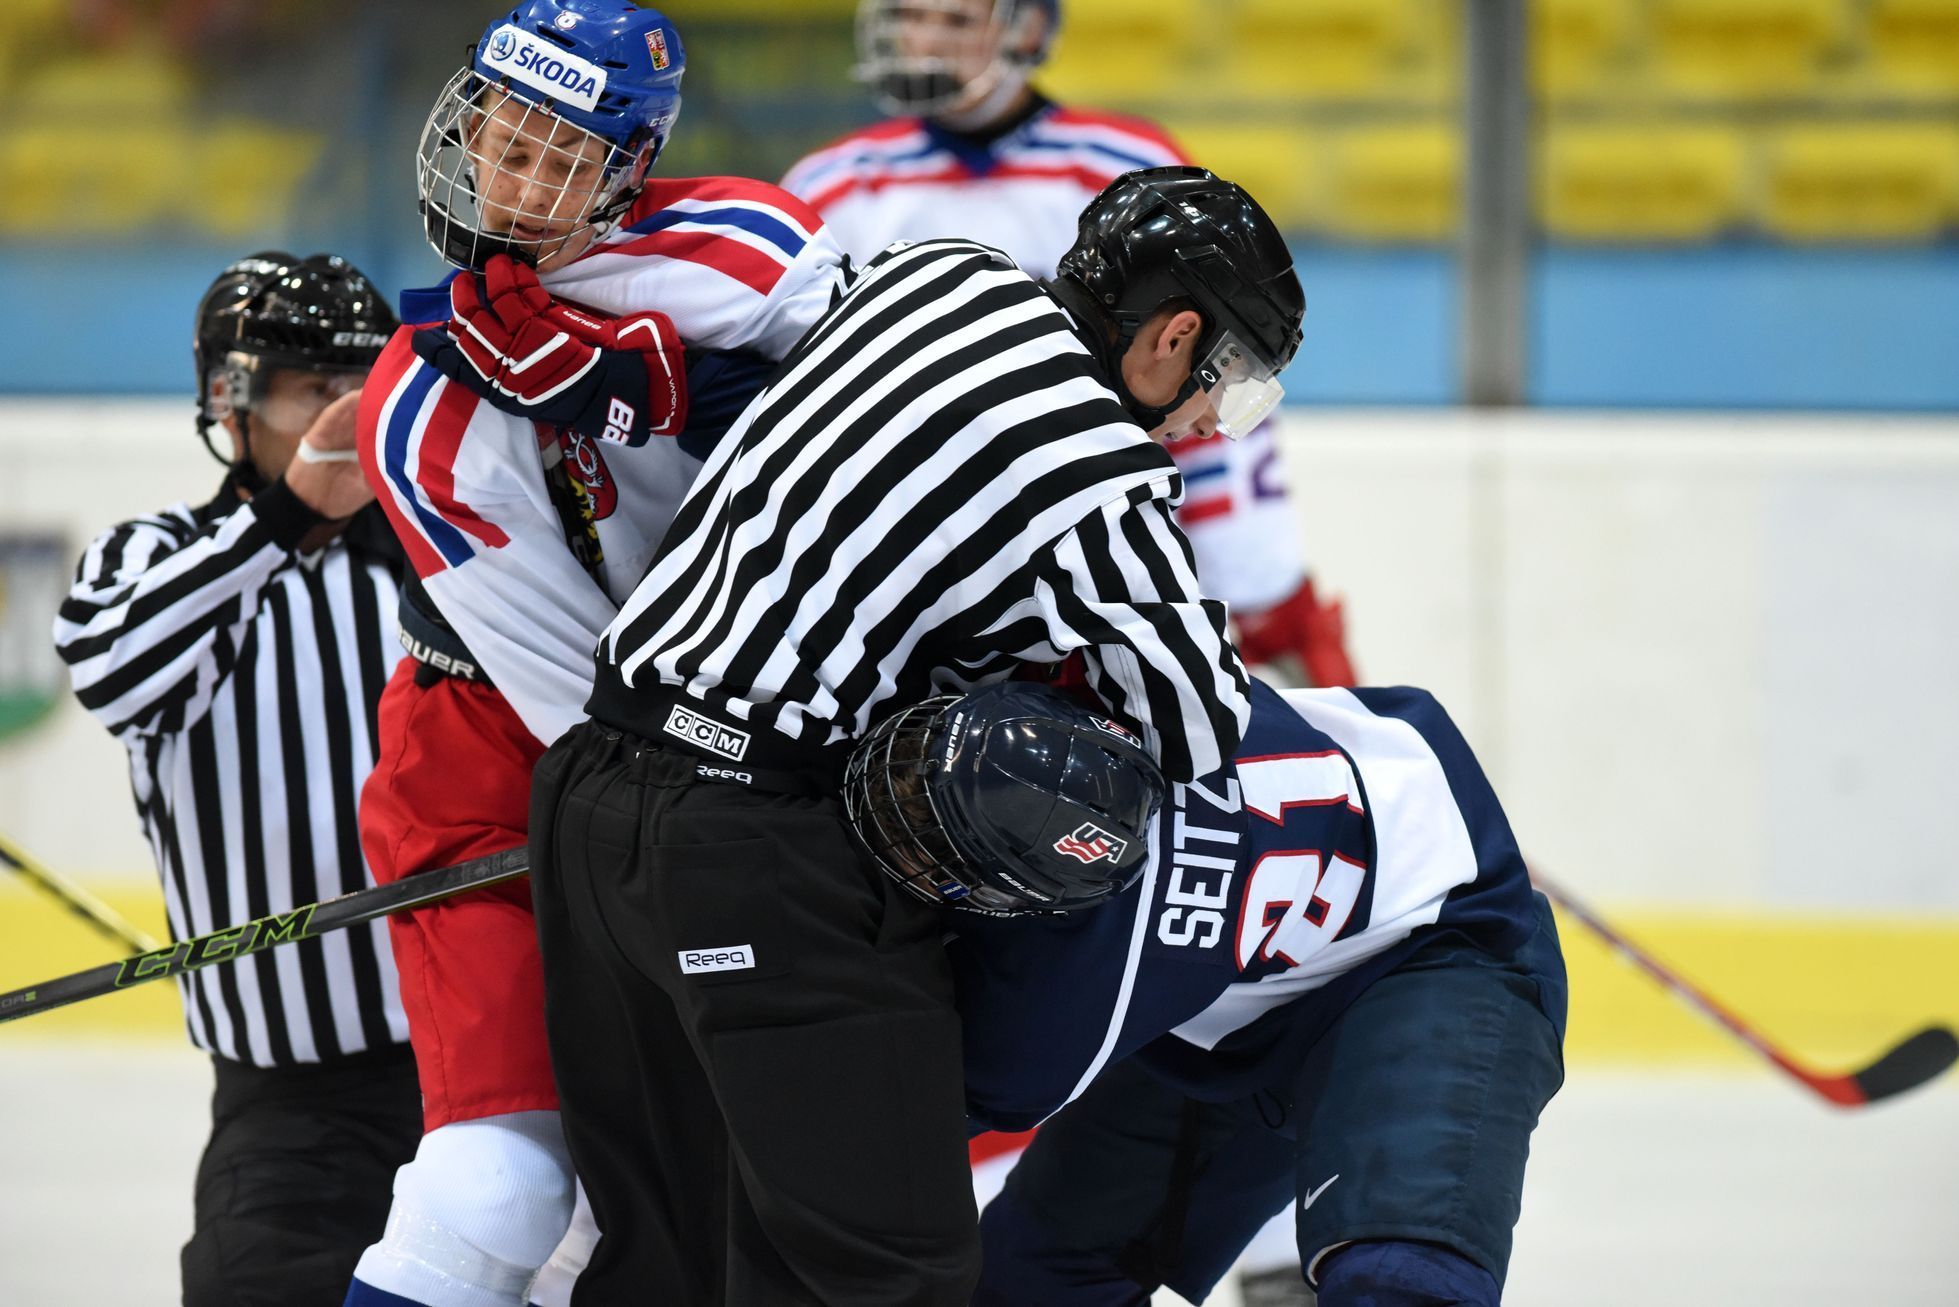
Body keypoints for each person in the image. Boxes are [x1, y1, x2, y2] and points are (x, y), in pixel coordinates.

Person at [527, 163, 1302, 1305]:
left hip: (590, 805)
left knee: (668, 1267)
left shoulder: (932, 277)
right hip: (757, 851)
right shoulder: (1101, 469)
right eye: (1224, 383)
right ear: (1175, 335)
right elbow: (1197, 720)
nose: (1202, 419)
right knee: (896, 1277)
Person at [342, 3, 849, 1303]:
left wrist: (669, 387)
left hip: (729, 718)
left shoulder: (754, 254)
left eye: (554, 158)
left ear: (631, 167)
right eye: (495, 140)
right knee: (495, 1191)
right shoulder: (419, 405)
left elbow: (871, 448)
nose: (506, 183)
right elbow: (590, 706)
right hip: (488, 758)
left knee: (713, 1182)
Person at [841, 675, 1568, 1307]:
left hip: (1440, 948)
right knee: (1031, 1275)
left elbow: (868, 1133)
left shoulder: (1054, 1012)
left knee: (1399, 1280)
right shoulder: (1115, 684)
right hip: (1229, 997)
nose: (902, 828)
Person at [782, 0, 1359, 689]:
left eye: (957, 22)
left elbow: (1201, 382)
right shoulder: (829, 186)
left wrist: (1257, 582)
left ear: (1026, 29)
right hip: (905, 551)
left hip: (1088, 539)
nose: (925, 42)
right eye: (910, 16)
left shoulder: (1126, 174)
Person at [53, 252, 413, 1305]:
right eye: (316, 387)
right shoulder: (157, 555)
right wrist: (288, 515)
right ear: (233, 400)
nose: (350, 411)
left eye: (369, 379)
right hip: (296, 1123)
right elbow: (114, 668)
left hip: (500, 1085)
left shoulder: (454, 553)